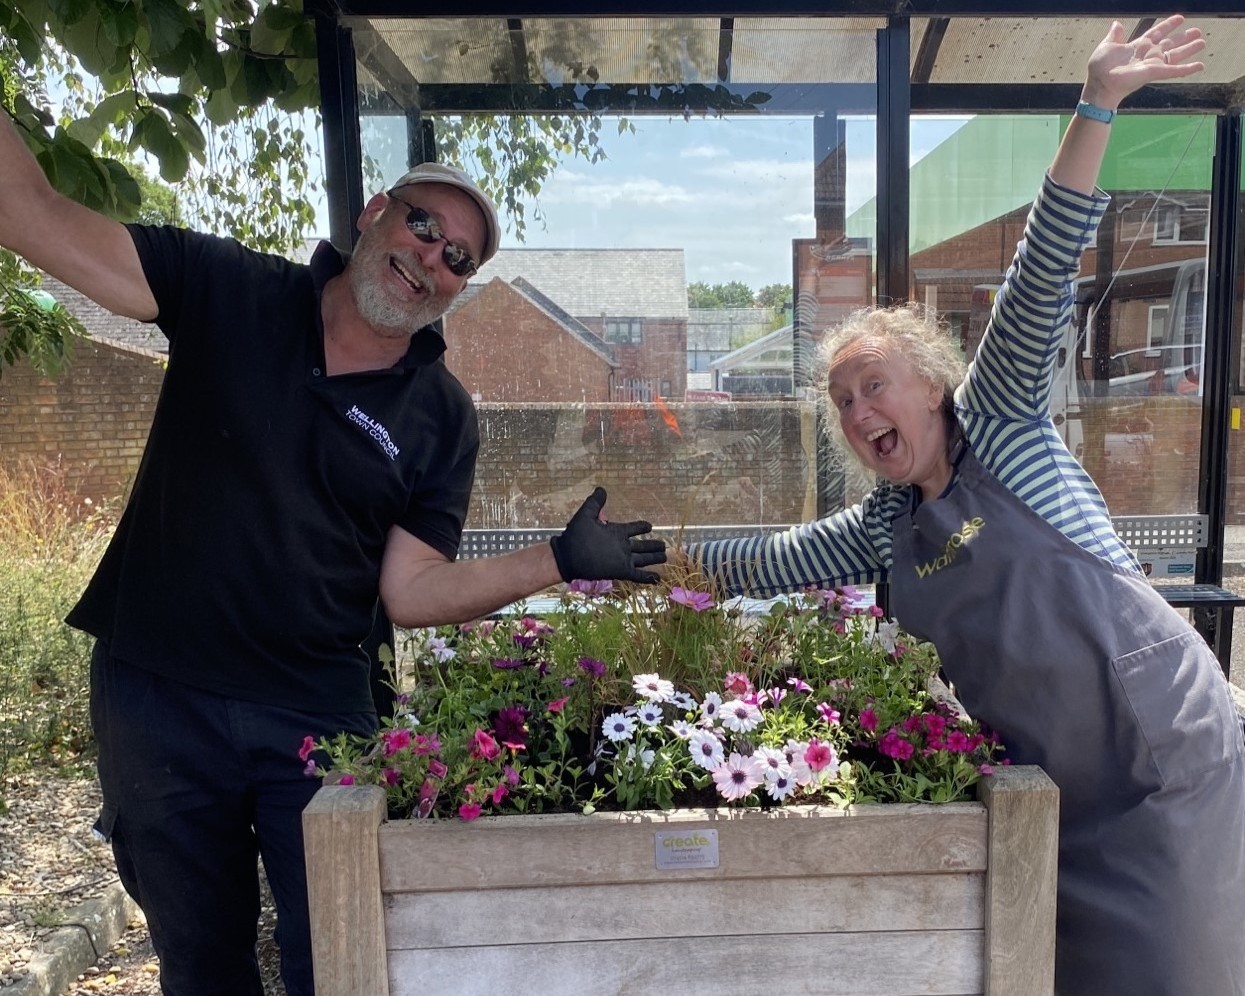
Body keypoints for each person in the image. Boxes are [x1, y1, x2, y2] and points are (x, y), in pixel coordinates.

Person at [0, 114, 666, 993]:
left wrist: (558, 559)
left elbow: (411, 589)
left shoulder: (441, 416)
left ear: (459, 289)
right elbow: (30, 212)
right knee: (201, 963)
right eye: (424, 225)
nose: (432, 256)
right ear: (374, 212)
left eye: (458, 258)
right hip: (161, 696)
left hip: (316, 718)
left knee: (344, 958)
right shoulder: (227, 289)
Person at [692, 16, 1244, 995]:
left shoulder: (1007, 426)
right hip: (1047, 808)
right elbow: (756, 564)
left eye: (877, 385)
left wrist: (1099, 101)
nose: (861, 411)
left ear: (937, 384)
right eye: (844, 401)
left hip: (1164, 773)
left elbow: (1044, 262)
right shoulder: (882, 530)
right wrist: (609, 555)